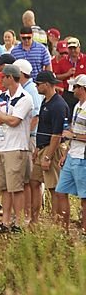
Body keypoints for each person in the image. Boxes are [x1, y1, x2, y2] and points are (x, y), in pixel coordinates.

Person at [0, 63, 34, 234]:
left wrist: (2, 117)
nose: (1, 80)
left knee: (16, 187)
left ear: (11, 77)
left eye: (3, 77)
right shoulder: (2, 96)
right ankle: (5, 222)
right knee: (3, 187)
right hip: (0, 145)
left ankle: (18, 222)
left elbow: (14, 121)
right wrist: (5, 118)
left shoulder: (25, 97)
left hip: (16, 147)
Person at [28, 70, 69, 225]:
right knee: (34, 181)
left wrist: (48, 156)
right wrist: (38, 148)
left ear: (46, 84)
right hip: (43, 147)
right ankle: (34, 219)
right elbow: (43, 127)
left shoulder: (58, 105)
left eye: (38, 84)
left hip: (53, 148)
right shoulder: (46, 101)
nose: (37, 86)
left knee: (54, 187)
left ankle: (57, 222)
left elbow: (57, 134)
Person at [54, 75, 86, 235]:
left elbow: (73, 134)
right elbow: (72, 131)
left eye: (75, 87)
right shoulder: (76, 106)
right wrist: (65, 154)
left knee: (84, 198)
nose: (72, 90)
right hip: (72, 155)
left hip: (83, 157)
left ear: (82, 89)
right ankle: (64, 231)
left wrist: (72, 137)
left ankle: (84, 231)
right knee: (61, 191)